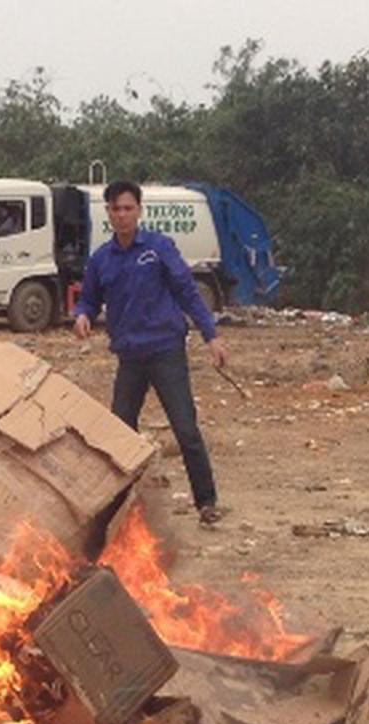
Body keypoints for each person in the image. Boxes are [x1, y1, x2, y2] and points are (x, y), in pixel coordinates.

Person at [74, 180, 229, 526]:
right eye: (116, 209)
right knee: (120, 434)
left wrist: (212, 336)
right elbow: (88, 299)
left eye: (128, 208)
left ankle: (206, 502)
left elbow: (188, 292)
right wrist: (82, 315)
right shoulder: (101, 259)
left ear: (139, 211)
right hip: (130, 356)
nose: (122, 215)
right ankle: (117, 510)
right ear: (108, 213)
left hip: (165, 351)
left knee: (185, 429)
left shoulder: (159, 248)